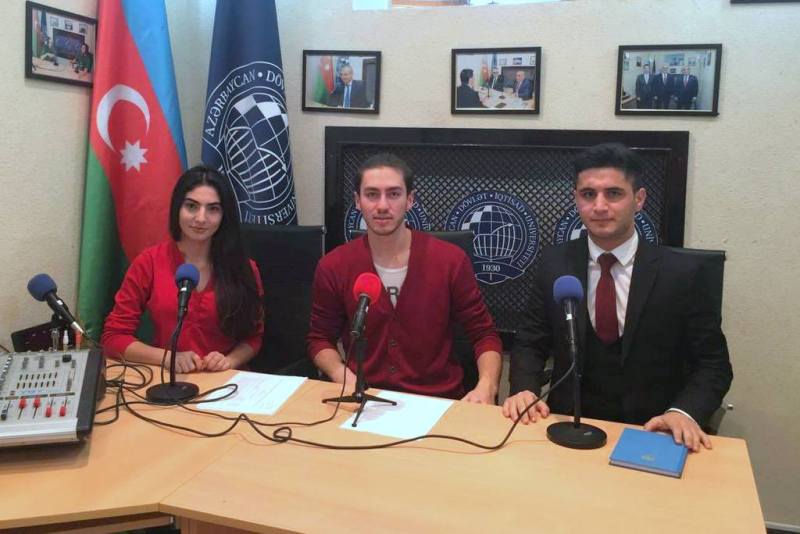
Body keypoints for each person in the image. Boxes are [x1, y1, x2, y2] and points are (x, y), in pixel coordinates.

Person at [502, 143, 732, 452]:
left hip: (652, 429)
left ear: (639, 199)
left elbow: (713, 364)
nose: (599, 206)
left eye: (613, 194)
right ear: (576, 199)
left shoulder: (682, 273)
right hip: (567, 424)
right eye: (588, 194)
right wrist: (524, 389)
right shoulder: (555, 263)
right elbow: (531, 340)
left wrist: (683, 412)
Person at [308, 153, 502, 402]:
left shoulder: (450, 261)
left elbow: (484, 335)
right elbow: (320, 339)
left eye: (393, 194)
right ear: (357, 201)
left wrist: (486, 386)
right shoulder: (334, 265)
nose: (382, 206)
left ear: (410, 200)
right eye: (371, 194)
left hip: (438, 400)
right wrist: (341, 375)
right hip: (366, 398)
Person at [102, 165, 264, 373]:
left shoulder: (244, 267)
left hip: (228, 380)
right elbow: (113, 337)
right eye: (192, 206)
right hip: (170, 379)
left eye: (213, 209)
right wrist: (167, 358)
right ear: (177, 208)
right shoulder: (149, 262)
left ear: (224, 215)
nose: (201, 218)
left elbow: (253, 337)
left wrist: (229, 360)